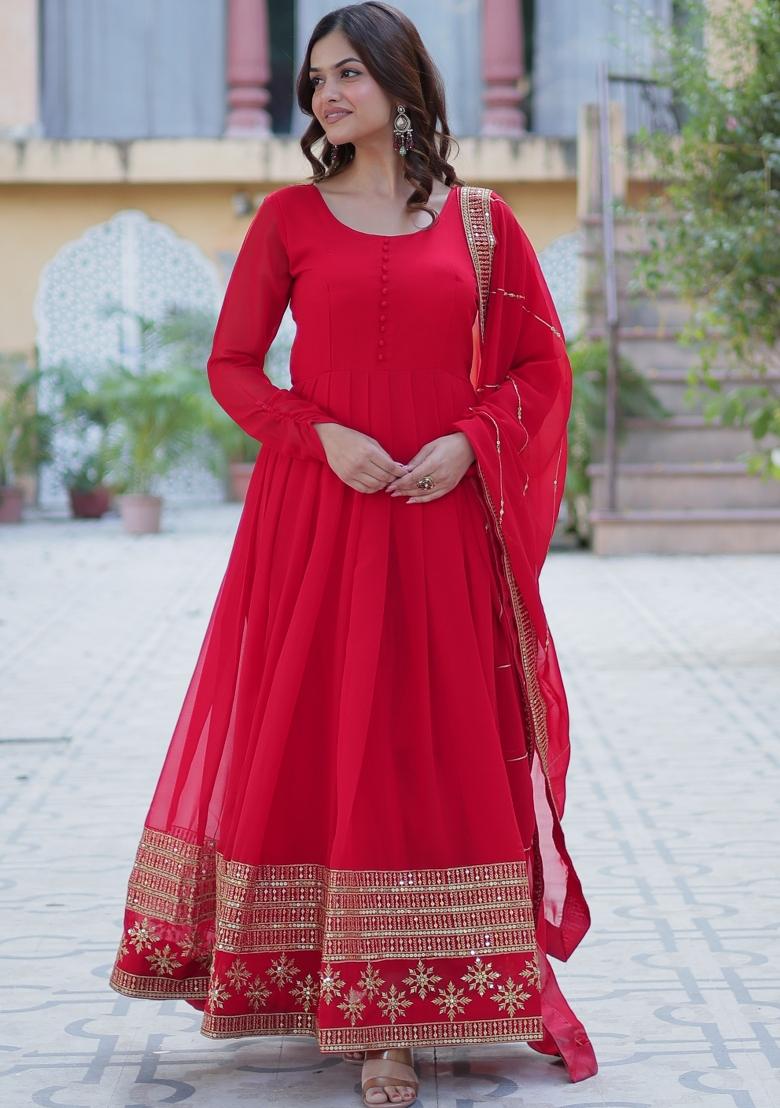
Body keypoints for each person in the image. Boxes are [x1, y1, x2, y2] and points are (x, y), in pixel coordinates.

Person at [108, 3, 598, 1103]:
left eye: (347, 74)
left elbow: (538, 368)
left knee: (428, 739)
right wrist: (315, 431)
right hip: (318, 517)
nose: (328, 94)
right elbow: (234, 365)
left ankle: (417, 1006)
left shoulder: (481, 224)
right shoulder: (288, 218)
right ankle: (341, 998)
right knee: (328, 731)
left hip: (436, 520)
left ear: (397, 80)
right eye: (315, 79)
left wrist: (471, 447)